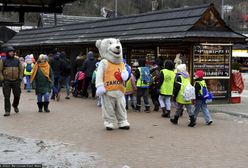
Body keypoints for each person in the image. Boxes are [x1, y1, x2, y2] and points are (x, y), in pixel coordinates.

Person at [0, 46, 23, 116]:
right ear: (7, 53)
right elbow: (0, 70)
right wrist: (2, 79)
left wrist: (20, 78)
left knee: (17, 95)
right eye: (10, 52)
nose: (12, 53)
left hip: (16, 81)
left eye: (12, 52)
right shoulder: (3, 60)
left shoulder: (17, 60)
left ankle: (15, 105)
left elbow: (21, 69)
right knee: (7, 97)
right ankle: (7, 111)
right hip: (6, 81)